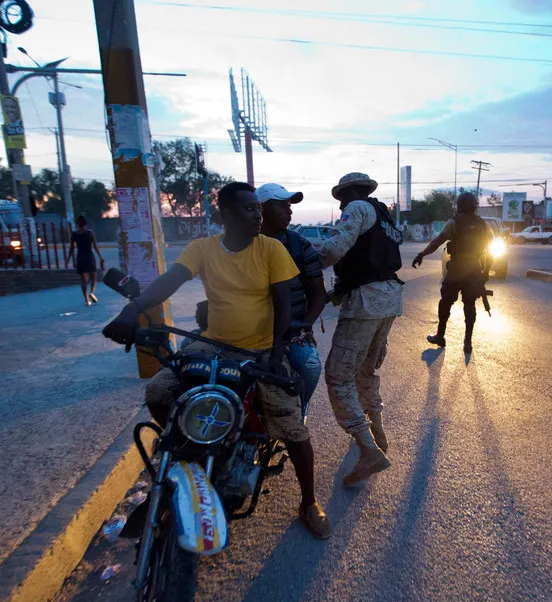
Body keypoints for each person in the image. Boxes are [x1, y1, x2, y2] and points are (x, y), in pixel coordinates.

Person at [102, 182, 330, 539]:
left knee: (293, 429)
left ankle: (309, 501)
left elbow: (283, 304)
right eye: (249, 209)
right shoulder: (202, 248)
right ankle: (182, 458)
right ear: (226, 215)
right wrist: (132, 311)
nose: (257, 215)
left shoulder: (271, 248)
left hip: (259, 350)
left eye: (258, 208)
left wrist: (275, 354)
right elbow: (170, 281)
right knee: (159, 392)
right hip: (211, 345)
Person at [317, 172, 402, 487]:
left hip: (366, 303)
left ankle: (368, 450)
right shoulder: (382, 215)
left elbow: (334, 249)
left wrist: (301, 263)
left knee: (338, 376)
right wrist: (331, 294)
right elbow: (368, 264)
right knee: (365, 372)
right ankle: (377, 432)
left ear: (351, 191)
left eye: (341, 197)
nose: (340, 205)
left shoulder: (357, 208)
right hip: (388, 300)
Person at [255, 183, 327, 421]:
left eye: (289, 205)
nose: (289, 211)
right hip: (250, 329)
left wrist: (306, 324)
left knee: (310, 366)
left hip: (292, 328)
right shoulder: (245, 244)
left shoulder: (298, 244)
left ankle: (298, 414)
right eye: (282, 205)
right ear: (261, 208)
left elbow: (318, 292)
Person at [411, 192, 491, 354]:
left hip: (456, 270)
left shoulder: (454, 223)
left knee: (445, 303)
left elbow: (437, 242)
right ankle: (468, 343)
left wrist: (421, 254)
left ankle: (440, 336)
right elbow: (489, 251)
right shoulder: (484, 225)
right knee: (470, 306)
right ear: (475, 206)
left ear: (459, 206)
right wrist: (485, 273)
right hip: (474, 270)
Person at [67, 215, 105, 306]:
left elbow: (72, 248)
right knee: (94, 276)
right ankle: (92, 292)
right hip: (89, 256)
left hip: (80, 257)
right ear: (85, 224)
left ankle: (87, 300)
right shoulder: (90, 233)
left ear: (77, 224)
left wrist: (68, 259)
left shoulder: (74, 234)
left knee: (83, 280)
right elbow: (95, 247)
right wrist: (100, 257)